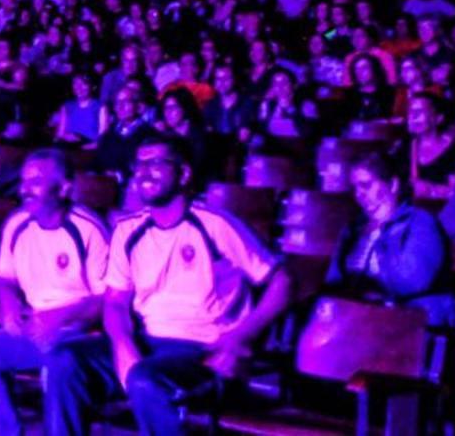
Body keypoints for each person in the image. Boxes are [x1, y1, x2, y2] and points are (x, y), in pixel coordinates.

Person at [49, 135, 290, 436]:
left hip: (204, 349)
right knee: (64, 360)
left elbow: (281, 282)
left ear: (184, 173)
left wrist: (239, 337)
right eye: (138, 164)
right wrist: (124, 345)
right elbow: (115, 301)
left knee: (145, 379)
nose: (144, 172)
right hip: (148, 342)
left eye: (156, 163)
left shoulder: (215, 224)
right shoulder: (129, 230)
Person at [0, 150, 112, 436]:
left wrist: (59, 316)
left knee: (59, 365)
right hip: (33, 326)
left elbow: (105, 300)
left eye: (36, 181)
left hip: (77, 331)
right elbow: (5, 278)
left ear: (65, 187)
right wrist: (9, 307)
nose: (24, 189)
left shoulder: (88, 229)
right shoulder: (17, 224)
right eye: (23, 180)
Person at [326, 152, 455, 325]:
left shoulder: (419, 223)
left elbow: (413, 280)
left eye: (366, 185)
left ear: (393, 185)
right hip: (360, 318)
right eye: (355, 188)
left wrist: (382, 237)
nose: (359, 194)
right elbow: (334, 282)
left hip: (408, 318)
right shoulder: (352, 229)